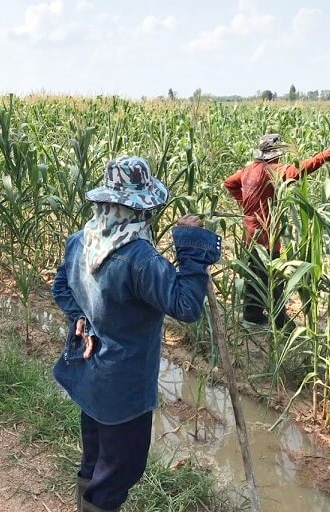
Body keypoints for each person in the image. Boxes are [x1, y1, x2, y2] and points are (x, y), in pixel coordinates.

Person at [52, 156, 221, 512]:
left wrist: (81, 317)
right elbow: (186, 306)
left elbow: (61, 289)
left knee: (95, 458)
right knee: (119, 472)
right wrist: (192, 245)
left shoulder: (81, 242)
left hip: (91, 372)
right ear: (140, 208)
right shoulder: (139, 257)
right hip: (124, 385)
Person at [223, 134, 330, 328]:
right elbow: (299, 170)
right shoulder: (272, 170)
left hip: (249, 233)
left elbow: (229, 182)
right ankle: (281, 322)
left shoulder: (248, 169)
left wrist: (245, 203)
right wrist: (324, 156)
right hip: (265, 236)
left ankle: (251, 315)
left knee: (254, 274)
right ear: (275, 155)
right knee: (274, 277)